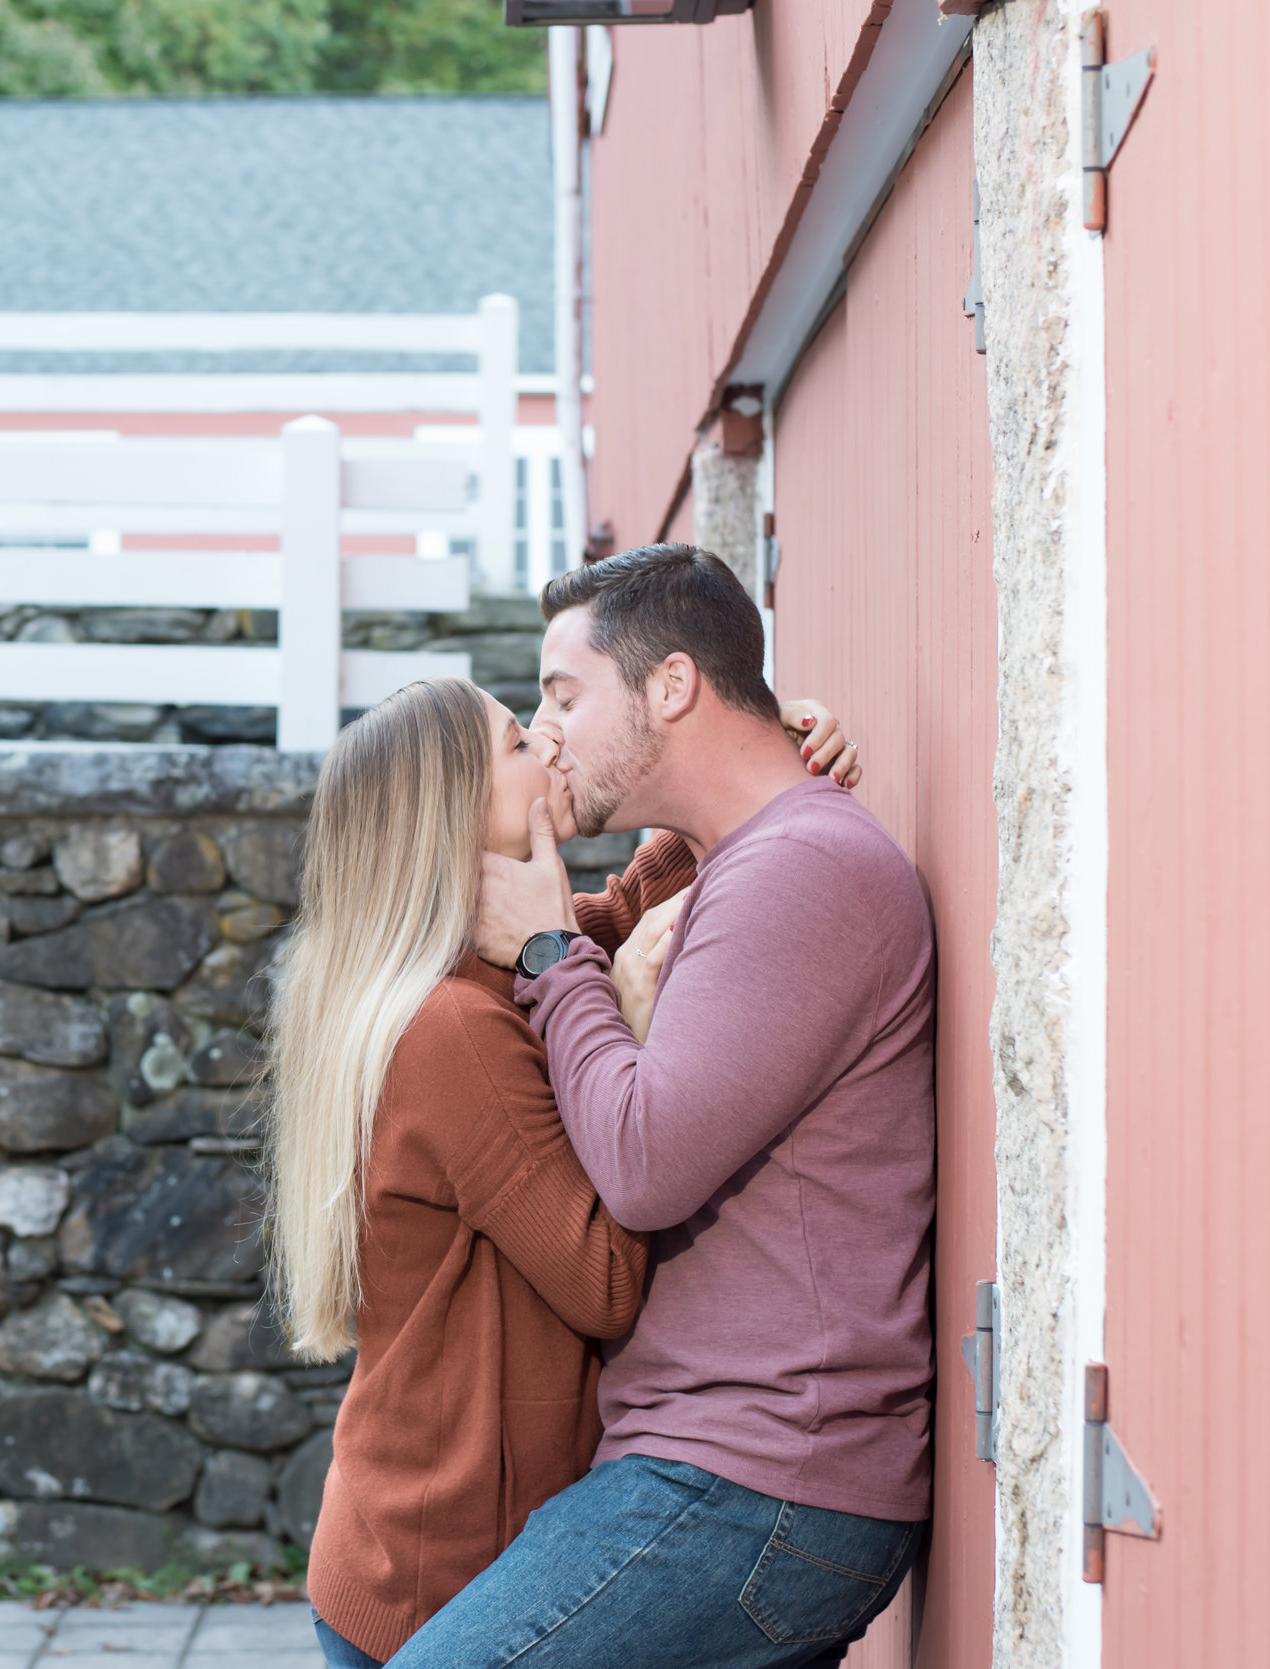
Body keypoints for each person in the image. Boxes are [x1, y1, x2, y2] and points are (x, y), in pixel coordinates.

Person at [382, 544, 935, 1669]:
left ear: (671, 685)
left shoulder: (802, 868)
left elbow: (641, 1166)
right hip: (715, 1469)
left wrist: (547, 949)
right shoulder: (751, 861)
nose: (546, 733)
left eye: (563, 694)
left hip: (755, 1479)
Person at [264, 671, 866, 1669]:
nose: (546, 744)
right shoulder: (452, 1026)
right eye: (513, 743)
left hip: (407, 1540)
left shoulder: (469, 972)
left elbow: (621, 910)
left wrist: (769, 757)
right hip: (444, 1574)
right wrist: (623, 1029)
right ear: (452, 818)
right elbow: (602, 1279)